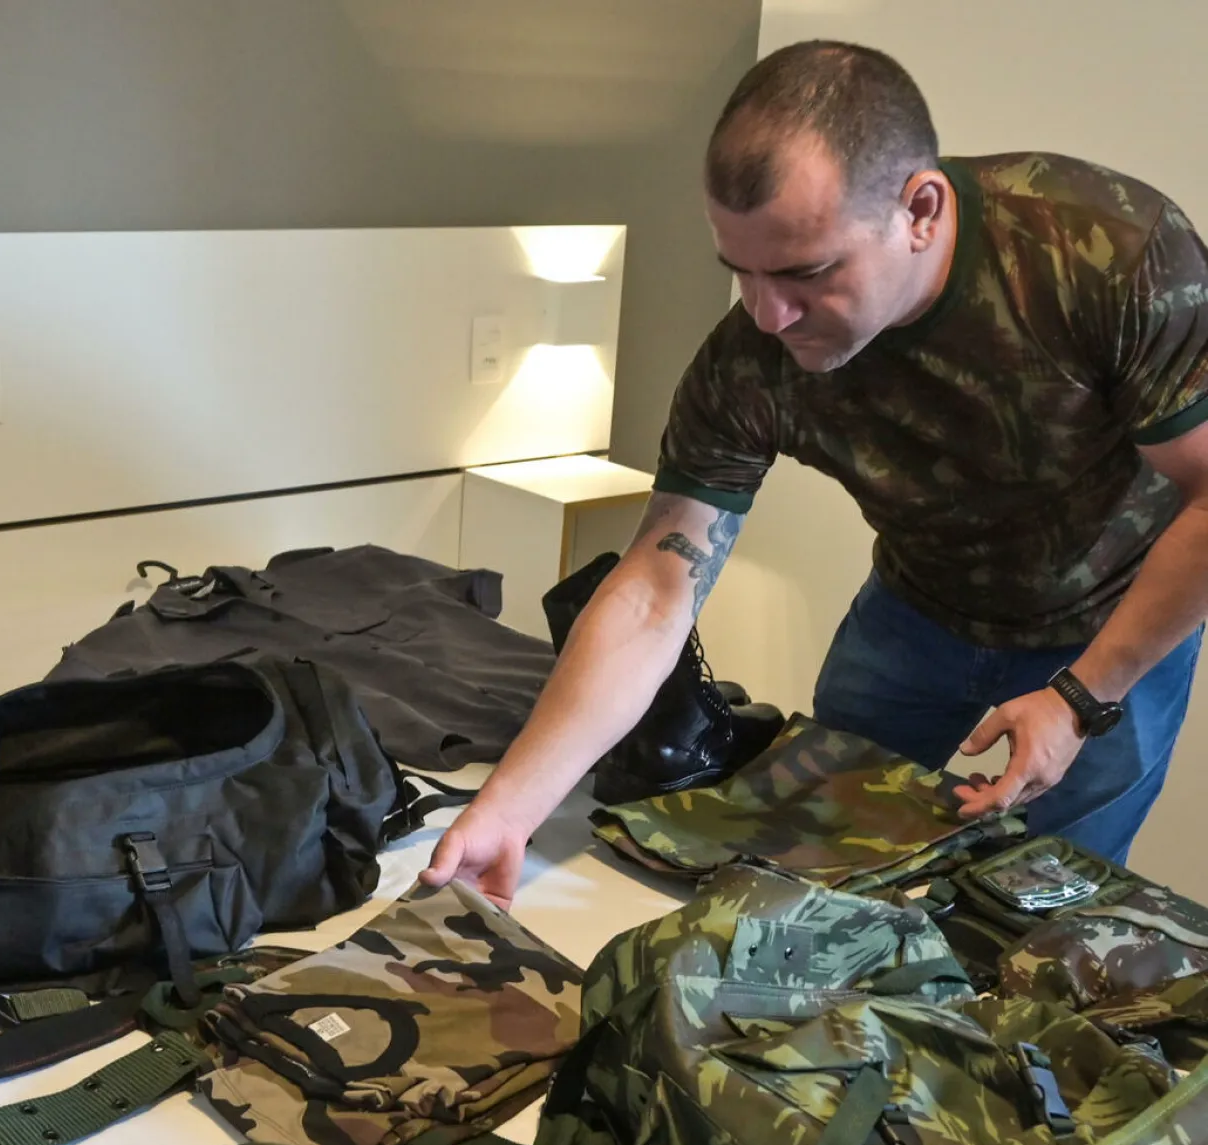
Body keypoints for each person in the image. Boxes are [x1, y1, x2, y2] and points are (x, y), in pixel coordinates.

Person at [423, 39, 1208, 906]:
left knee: (1049, 916)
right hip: (917, 613)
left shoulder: (1105, 256)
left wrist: (1080, 698)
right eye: (742, 272)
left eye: (806, 272)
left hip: (1110, 628)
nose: (769, 314)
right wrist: (510, 809)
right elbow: (654, 590)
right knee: (815, 892)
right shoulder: (746, 362)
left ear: (920, 210)